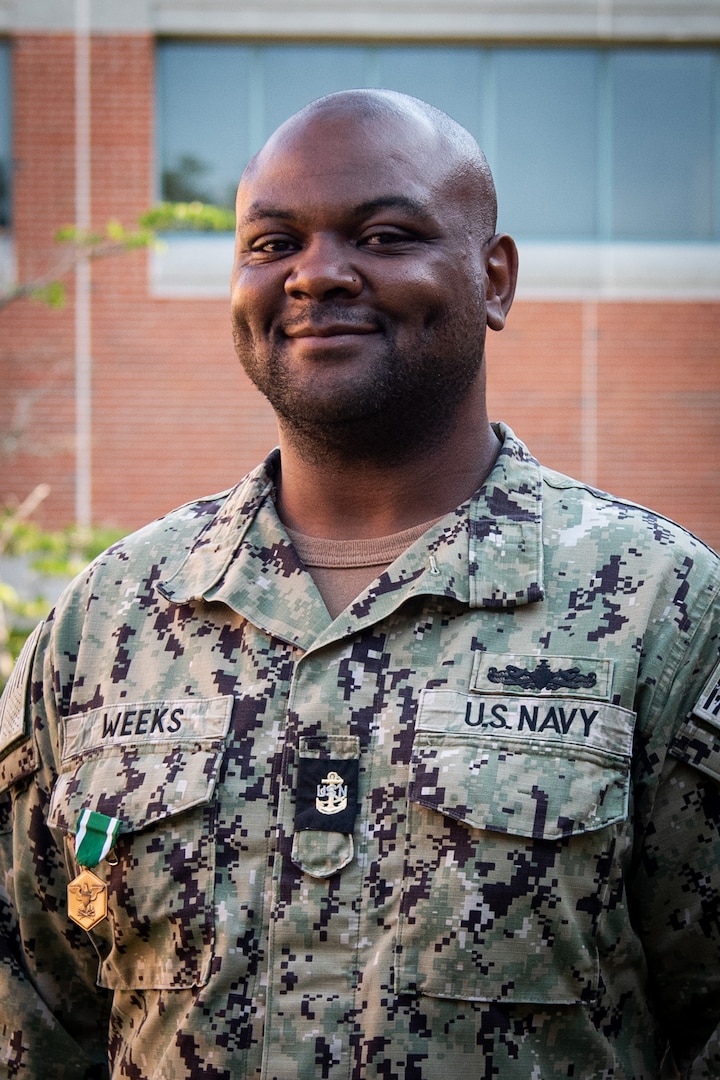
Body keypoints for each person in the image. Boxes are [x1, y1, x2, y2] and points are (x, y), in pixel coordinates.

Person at [1, 89, 719, 1080]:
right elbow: (33, 1022)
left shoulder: (659, 610)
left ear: (494, 279)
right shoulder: (110, 621)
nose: (317, 274)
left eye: (383, 235)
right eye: (271, 242)